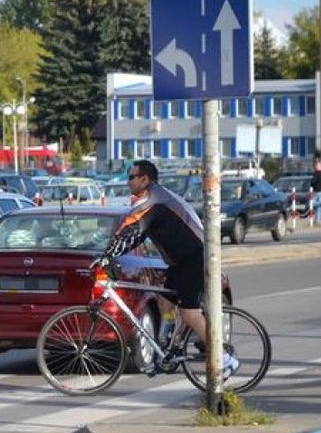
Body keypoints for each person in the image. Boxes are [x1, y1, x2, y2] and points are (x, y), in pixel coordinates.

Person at [97, 159, 239, 377]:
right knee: (165, 300)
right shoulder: (154, 197)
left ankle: (224, 359)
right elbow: (134, 233)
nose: (128, 182)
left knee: (190, 314)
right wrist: (111, 253)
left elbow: (133, 229)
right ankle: (169, 349)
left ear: (145, 179)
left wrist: (108, 255)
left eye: (131, 177)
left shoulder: (154, 200)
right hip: (180, 261)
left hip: (196, 258)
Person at [309, 160, 321, 226]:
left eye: (317, 166)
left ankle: (309, 205)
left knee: (314, 204)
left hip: (316, 192)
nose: (315, 167)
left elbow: (313, 182)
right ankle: (317, 220)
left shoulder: (316, 174)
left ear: (319, 166)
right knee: (319, 207)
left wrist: (312, 185)